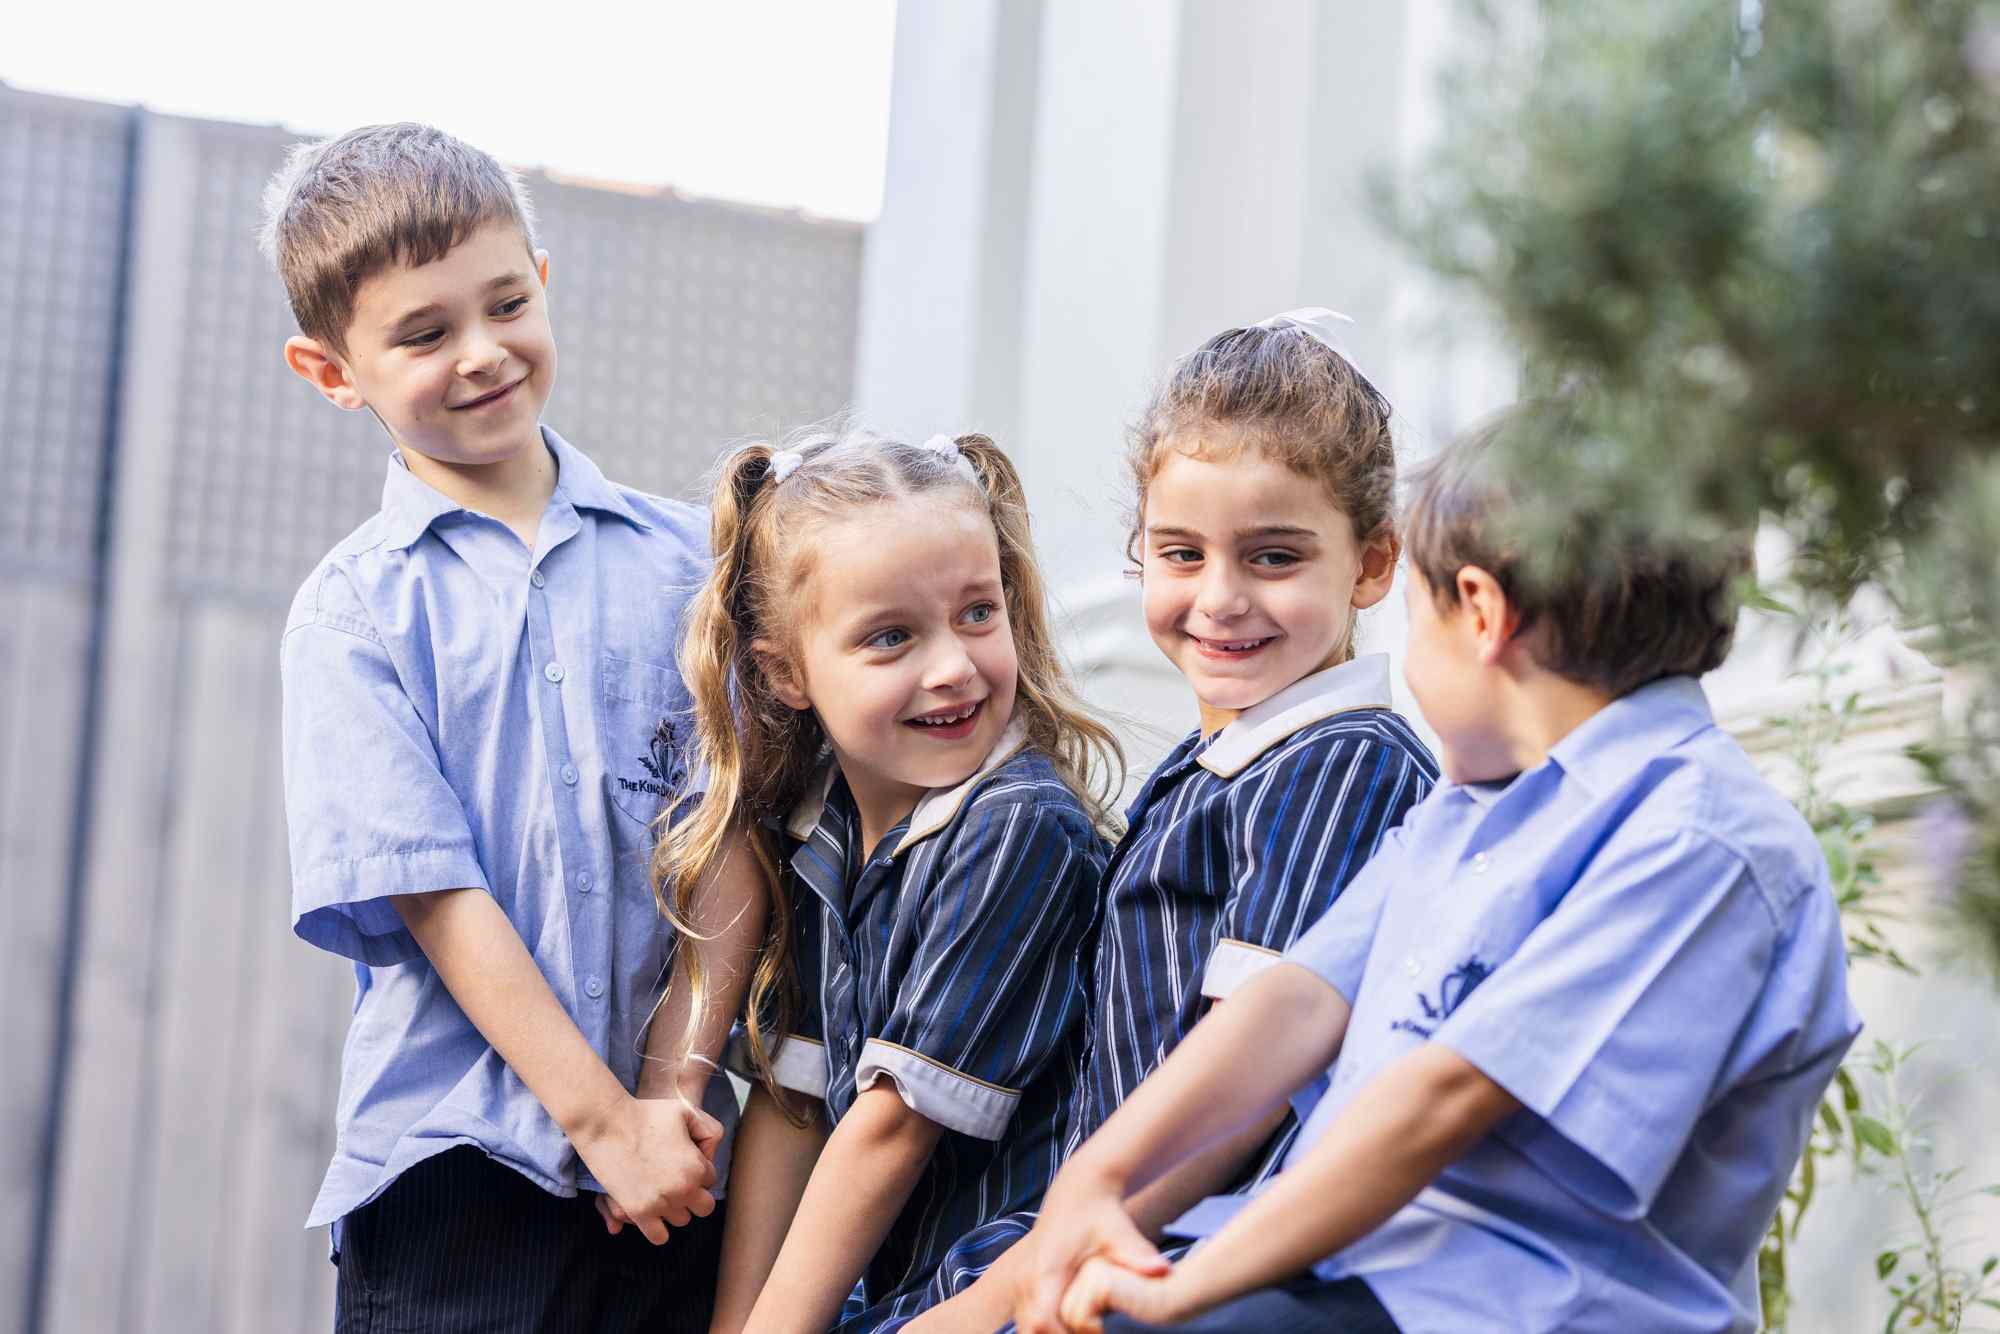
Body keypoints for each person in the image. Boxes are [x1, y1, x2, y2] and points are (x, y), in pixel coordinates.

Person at [1013, 404, 1864, 1334]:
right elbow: (1295, 1000)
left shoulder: (1702, 842)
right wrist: (1093, 1185)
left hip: (1519, 1308)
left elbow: (1442, 1098)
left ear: (1483, 614)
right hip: (1361, 1275)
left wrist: (1184, 1289)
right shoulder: (1467, 807)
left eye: (1415, 616)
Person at [268, 122, 747, 1333]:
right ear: (333, 372)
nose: (481, 353)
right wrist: (598, 1121)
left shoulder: (694, 563)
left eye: (505, 303)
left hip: (675, 1170)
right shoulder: (354, 614)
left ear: (544, 277)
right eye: (424, 334)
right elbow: (434, 894)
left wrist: (663, 1100)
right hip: (456, 1174)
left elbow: (734, 834)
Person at [906, 312, 1438, 1333]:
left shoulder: (1340, 763)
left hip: (1175, 1263)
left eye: (1273, 556)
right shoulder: (1222, 763)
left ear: (1370, 565)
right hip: (1085, 1235)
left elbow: (1243, 1095)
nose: (1220, 599)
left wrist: (1008, 1297)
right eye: (1181, 553)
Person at [655, 428, 1122, 1333]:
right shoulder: (820, 830)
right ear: (786, 671)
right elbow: (793, 1106)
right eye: (891, 637)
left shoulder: (1019, 827)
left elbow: (890, 1127)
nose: (952, 667)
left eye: (979, 614)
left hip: (1004, 1289)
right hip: (889, 1298)